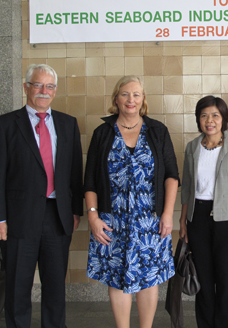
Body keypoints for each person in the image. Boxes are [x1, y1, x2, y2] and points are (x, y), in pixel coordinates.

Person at [0, 63, 83, 328]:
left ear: (55, 91)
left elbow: (75, 172)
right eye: (38, 85)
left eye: (49, 86)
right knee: (18, 286)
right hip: (17, 219)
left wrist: (75, 210)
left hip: (57, 217)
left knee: (55, 288)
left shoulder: (67, 123)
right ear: (26, 87)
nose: (43, 91)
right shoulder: (5, 124)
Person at [84, 75, 179, 328]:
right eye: (125, 94)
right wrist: (93, 217)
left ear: (143, 99)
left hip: (151, 220)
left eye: (136, 94)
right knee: (118, 278)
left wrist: (167, 214)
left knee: (149, 278)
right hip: (111, 221)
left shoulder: (158, 131)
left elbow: (171, 176)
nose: (131, 99)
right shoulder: (102, 133)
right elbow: (90, 181)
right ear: (116, 98)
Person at [179, 95, 228, 328]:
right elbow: (187, 188)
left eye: (215, 115)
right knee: (203, 277)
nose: (209, 120)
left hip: (227, 218)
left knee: (227, 278)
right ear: (198, 119)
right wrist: (183, 221)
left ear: (223, 119)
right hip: (197, 217)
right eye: (204, 115)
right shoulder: (192, 148)